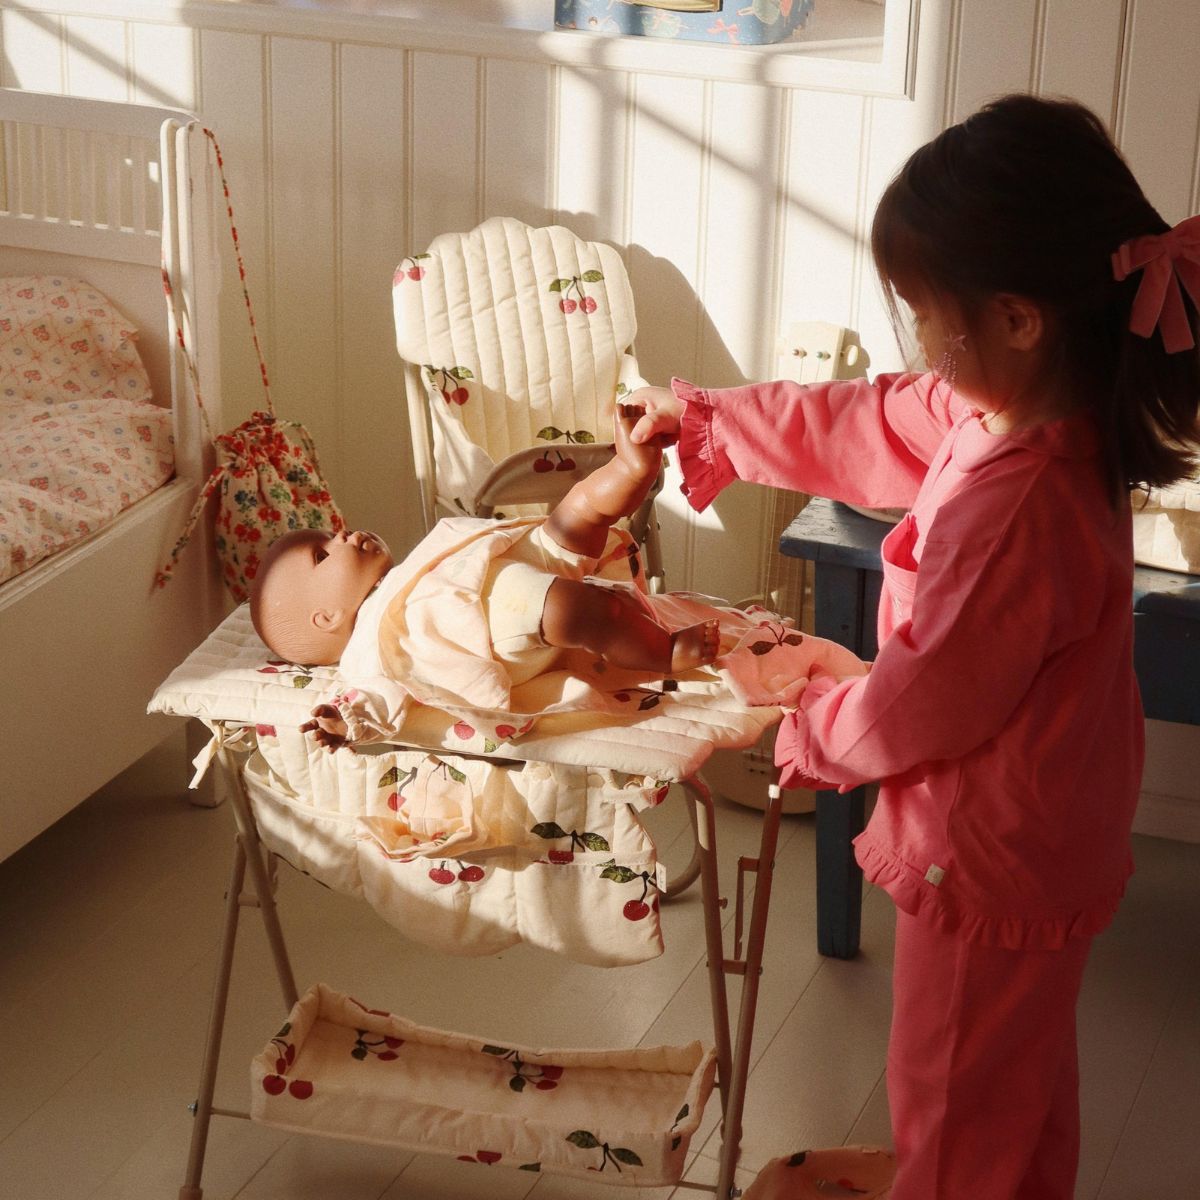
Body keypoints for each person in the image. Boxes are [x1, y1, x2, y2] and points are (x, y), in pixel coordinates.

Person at [628, 93, 1200, 1200]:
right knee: (1016, 1102)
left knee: (947, 1115)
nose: (920, 343)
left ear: (1020, 318)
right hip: (1043, 833)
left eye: (925, 314)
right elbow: (867, 419)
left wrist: (806, 721)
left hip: (988, 855)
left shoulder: (1018, 503)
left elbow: (924, 703)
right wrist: (714, 420)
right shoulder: (1026, 417)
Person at [249, 404, 727, 750]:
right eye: (321, 554)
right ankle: (662, 653)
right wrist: (341, 719)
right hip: (500, 624)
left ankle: (629, 468)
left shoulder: (411, 566)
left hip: (505, 567)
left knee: (578, 514)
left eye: (330, 534)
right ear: (327, 617)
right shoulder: (370, 652)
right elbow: (371, 700)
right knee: (586, 609)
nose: (342, 535)